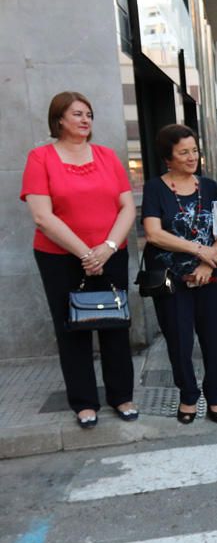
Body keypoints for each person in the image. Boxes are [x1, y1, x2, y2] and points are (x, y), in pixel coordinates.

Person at [20, 91, 136, 429]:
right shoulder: (40, 158)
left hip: (111, 253)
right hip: (59, 258)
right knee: (72, 330)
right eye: (77, 114)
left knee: (115, 326)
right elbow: (42, 216)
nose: (85, 120)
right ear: (58, 120)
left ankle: (121, 396)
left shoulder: (106, 156)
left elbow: (127, 206)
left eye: (89, 114)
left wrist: (108, 246)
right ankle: (85, 403)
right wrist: (86, 253)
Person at [142, 125, 217, 424]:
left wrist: (209, 262)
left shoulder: (208, 187)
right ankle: (188, 396)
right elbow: (154, 234)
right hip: (172, 280)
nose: (192, 157)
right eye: (184, 152)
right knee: (179, 342)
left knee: (213, 340)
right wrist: (199, 250)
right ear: (168, 158)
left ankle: (216, 397)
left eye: (194, 150)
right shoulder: (155, 188)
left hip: (210, 276)